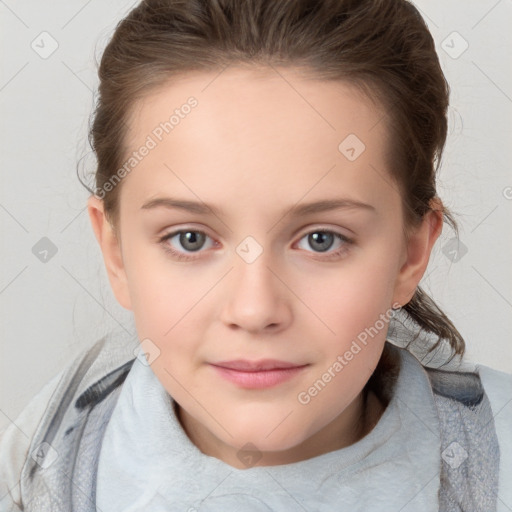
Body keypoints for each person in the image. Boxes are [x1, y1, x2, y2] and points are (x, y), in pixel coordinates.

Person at [1, 0, 511, 510]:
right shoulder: (48, 457)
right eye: (191, 239)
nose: (254, 309)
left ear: (410, 253)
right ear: (116, 252)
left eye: (321, 239)